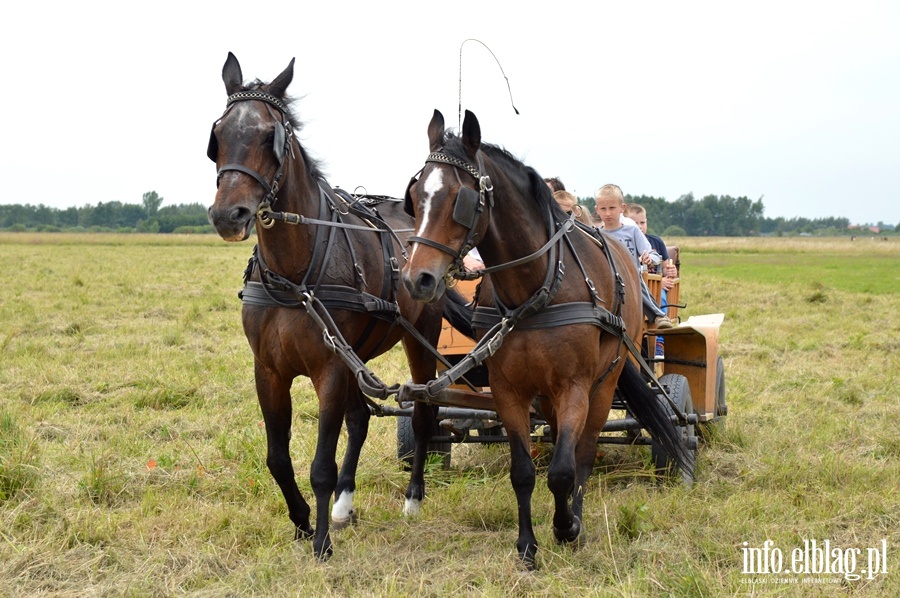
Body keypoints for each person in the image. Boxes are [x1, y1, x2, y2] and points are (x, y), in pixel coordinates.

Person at [594, 184, 673, 329]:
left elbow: (654, 255)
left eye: (612, 208)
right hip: (605, 280)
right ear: (597, 210)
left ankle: (657, 315)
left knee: (634, 277)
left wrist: (649, 259)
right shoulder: (596, 235)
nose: (608, 213)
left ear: (622, 208)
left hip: (629, 279)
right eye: (603, 209)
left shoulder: (632, 232)